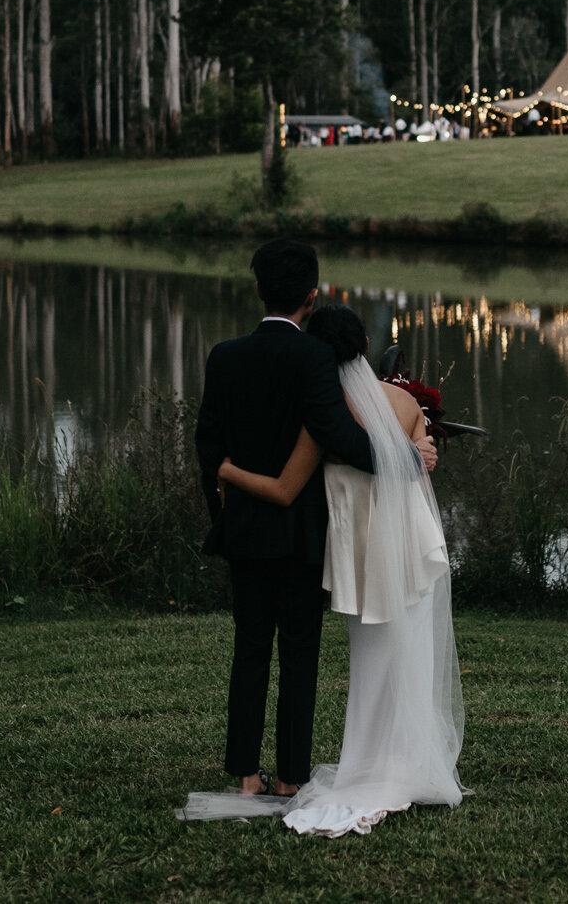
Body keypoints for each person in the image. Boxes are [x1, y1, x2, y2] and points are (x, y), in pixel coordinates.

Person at [181, 305, 463, 837]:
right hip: (412, 549)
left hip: (366, 560)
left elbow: (291, 484)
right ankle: (404, 762)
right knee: (406, 656)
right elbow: (421, 470)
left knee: (363, 662)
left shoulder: (328, 410)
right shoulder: (402, 401)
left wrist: (225, 471)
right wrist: (418, 454)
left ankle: (362, 768)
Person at [185, 241, 382, 808]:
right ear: (312, 296)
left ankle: (246, 774)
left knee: (249, 650)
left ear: (257, 290)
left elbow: (209, 447)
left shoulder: (224, 356)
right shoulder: (315, 359)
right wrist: (400, 458)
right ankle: (292, 776)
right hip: (300, 535)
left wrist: (220, 516)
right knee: (299, 654)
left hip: (244, 530)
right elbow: (340, 438)